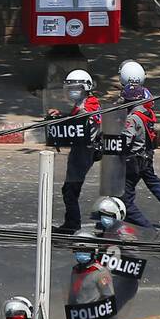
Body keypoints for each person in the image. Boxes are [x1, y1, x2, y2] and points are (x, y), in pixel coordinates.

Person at [119, 62, 160, 230]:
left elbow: (126, 139)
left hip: (134, 158)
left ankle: (143, 226)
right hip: (147, 152)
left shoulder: (131, 115)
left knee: (125, 195)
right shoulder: (145, 99)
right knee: (154, 182)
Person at [93, 195, 151, 319]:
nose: (103, 218)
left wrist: (111, 259)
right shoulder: (108, 230)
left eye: (107, 215)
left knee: (104, 317)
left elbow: (134, 259)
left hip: (124, 281)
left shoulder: (124, 233)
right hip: (111, 281)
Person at [51, 69, 101, 234]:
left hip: (84, 151)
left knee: (70, 189)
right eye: (70, 88)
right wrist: (61, 116)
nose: (73, 92)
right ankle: (71, 222)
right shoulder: (81, 103)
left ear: (86, 87)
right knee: (70, 189)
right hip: (79, 149)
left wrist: (67, 118)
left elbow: (86, 118)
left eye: (76, 88)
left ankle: (72, 224)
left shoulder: (89, 104)